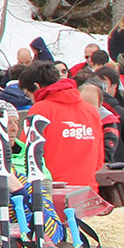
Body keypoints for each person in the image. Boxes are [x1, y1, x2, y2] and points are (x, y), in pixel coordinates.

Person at [25, 62, 103, 192]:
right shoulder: (91, 111)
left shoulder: (40, 110)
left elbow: (27, 157)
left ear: (36, 87)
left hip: (52, 194)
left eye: (27, 94)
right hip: (88, 193)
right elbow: (99, 162)